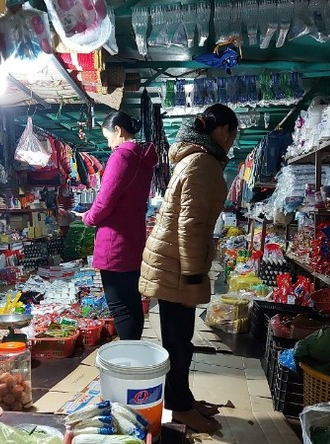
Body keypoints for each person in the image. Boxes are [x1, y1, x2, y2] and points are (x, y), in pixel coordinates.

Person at [139, 104, 238, 432]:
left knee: (179, 338)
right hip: (177, 264)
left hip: (173, 259)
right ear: (223, 131)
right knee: (179, 342)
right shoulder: (203, 164)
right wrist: (194, 274)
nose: (232, 142)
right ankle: (178, 405)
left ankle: (181, 398)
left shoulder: (195, 159)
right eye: (233, 135)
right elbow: (191, 224)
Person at [75, 111, 157, 340]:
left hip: (115, 243)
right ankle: (135, 352)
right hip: (132, 239)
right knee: (131, 301)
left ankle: (129, 359)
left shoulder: (122, 156)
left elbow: (105, 200)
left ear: (118, 131)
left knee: (120, 306)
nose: (109, 144)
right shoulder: (142, 158)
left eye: (108, 137)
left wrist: (88, 218)